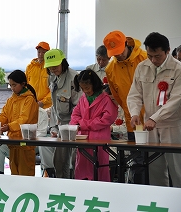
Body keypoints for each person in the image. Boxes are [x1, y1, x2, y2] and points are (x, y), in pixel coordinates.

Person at [127, 32, 181, 187]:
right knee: (154, 169)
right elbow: (134, 94)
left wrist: (155, 118)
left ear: (168, 51)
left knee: (177, 169)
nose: (153, 60)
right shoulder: (142, 67)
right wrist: (135, 113)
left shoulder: (178, 69)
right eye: (150, 55)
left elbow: (176, 100)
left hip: (172, 125)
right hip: (149, 127)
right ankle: (158, 204)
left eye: (157, 56)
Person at [103, 30, 147, 184]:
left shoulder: (145, 58)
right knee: (137, 162)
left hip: (153, 120)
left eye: (120, 51)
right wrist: (131, 113)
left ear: (126, 44)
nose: (118, 55)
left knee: (157, 161)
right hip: (133, 123)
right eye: (114, 53)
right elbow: (118, 97)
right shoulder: (110, 69)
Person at [0, 70, 39, 176]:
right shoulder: (11, 100)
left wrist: (9, 126)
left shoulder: (30, 100)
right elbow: (4, 115)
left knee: (25, 173)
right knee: (14, 173)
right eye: (10, 85)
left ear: (23, 84)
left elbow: (24, 119)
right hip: (13, 142)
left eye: (14, 85)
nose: (12, 88)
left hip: (25, 142)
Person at [40, 49, 82, 179]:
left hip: (74, 124)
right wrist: (54, 126)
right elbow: (54, 105)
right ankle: (60, 185)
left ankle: (74, 185)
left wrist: (71, 127)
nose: (53, 69)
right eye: (50, 67)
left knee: (74, 160)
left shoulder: (74, 78)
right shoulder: (51, 77)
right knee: (59, 160)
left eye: (56, 66)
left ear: (63, 62)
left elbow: (79, 107)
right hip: (60, 123)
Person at [69, 69, 118, 181]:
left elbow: (106, 119)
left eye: (87, 88)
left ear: (94, 84)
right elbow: (75, 115)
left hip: (99, 140)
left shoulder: (106, 99)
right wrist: (79, 124)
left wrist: (82, 124)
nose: (85, 91)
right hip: (83, 139)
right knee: (82, 167)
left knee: (99, 168)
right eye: (82, 89)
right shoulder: (83, 98)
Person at [0, 107, 49, 174]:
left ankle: (49, 172)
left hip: (33, 144)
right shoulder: (14, 110)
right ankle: (0, 174)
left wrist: (26, 137)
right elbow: (7, 132)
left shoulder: (41, 112)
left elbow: (42, 133)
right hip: (15, 142)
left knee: (42, 147)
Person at [25, 41, 52, 109]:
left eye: (43, 52)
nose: (40, 54)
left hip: (47, 107)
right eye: (39, 52)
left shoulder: (51, 68)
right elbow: (25, 85)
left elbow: (54, 89)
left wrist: (43, 102)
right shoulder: (30, 67)